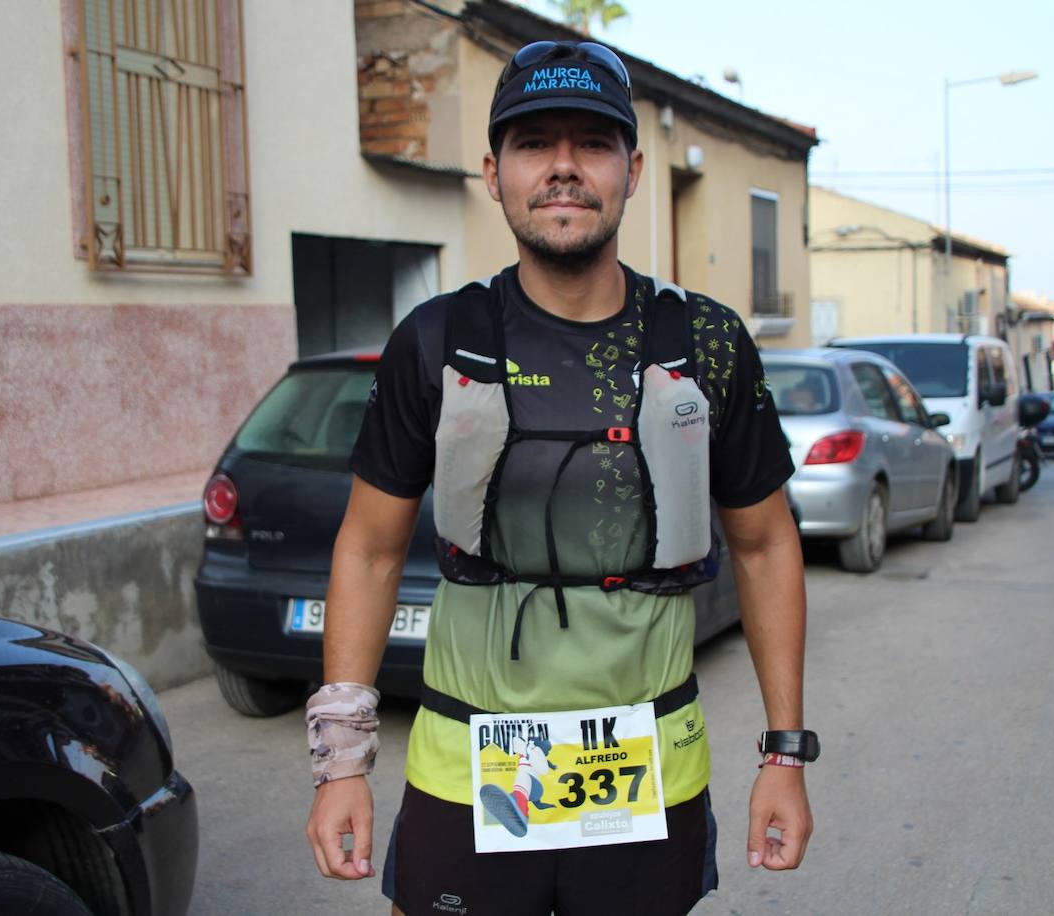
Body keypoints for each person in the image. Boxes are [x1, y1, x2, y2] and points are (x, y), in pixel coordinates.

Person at [303, 40, 814, 916]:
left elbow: (765, 546)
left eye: (593, 142)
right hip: (467, 771)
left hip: (649, 772)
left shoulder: (707, 343)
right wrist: (341, 762)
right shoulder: (434, 340)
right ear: (495, 170)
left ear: (634, 167)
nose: (565, 168)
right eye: (537, 143)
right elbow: (369, 551)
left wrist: (785, 755)